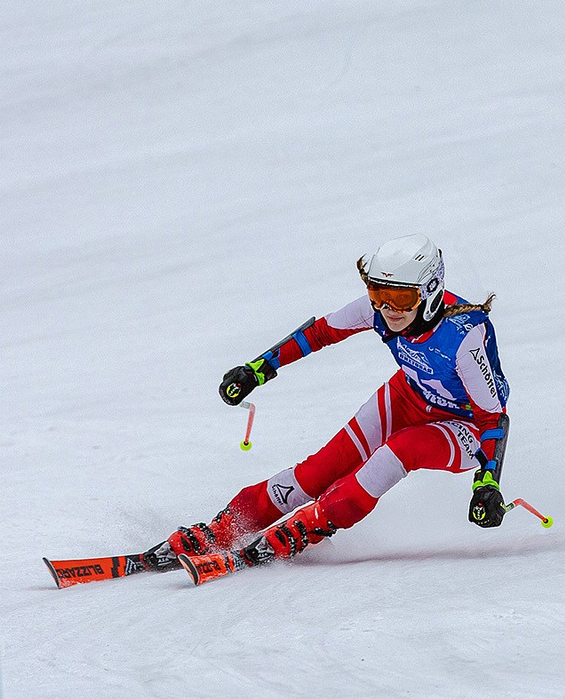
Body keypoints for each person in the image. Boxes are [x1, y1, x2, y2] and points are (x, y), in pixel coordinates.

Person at [164, 236, 509, 582]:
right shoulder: (380, 310)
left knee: (398, 452)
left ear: (430, 291)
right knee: (321, 469)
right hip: (409, 396)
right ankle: (226, 527)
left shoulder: (464, 337)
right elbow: (321, 332)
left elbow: (493, 417)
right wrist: (258, 369)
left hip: (466, 427)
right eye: (378, 294)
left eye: (402, 298)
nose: (389, 310)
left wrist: (487, 481)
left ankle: (313, 523)